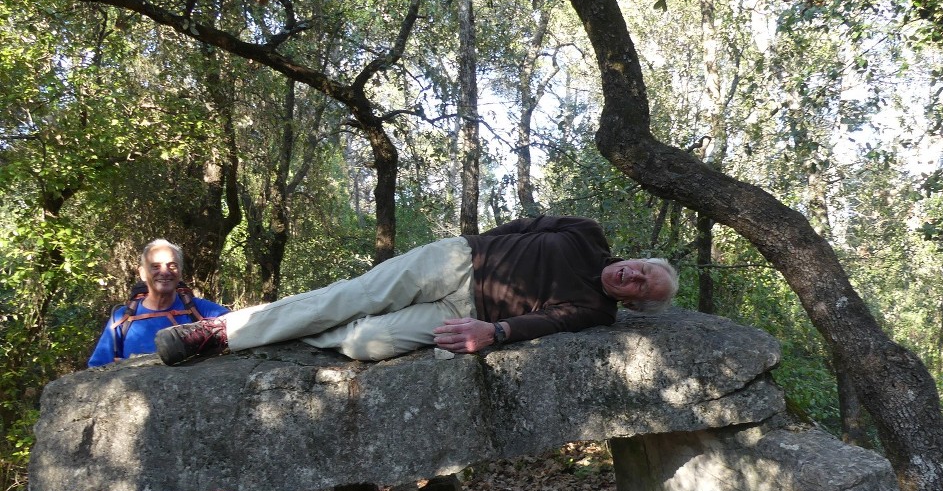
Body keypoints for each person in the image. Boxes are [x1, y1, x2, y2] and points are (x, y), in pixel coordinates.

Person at [155, 216, 678, 366]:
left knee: (363, 343)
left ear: (632, 302)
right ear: (635, 258)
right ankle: (220, 333)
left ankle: (287, 328)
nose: (632, 278)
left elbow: (552, 322)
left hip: (466, 310)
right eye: (640, 269)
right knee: (351, 296)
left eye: (640, 287)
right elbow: (523, 226)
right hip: (455, 261)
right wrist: (481, 248)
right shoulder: (585, 234)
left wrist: (492, 331)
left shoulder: (595, 311)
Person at [87, 239, 230, 367]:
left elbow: (238, 325)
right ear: (143, 273)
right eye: (155, 266)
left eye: (172, 266)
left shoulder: (199, 309)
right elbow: (97, 368)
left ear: (180, 272)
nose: (165, 272)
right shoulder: (122, 318)